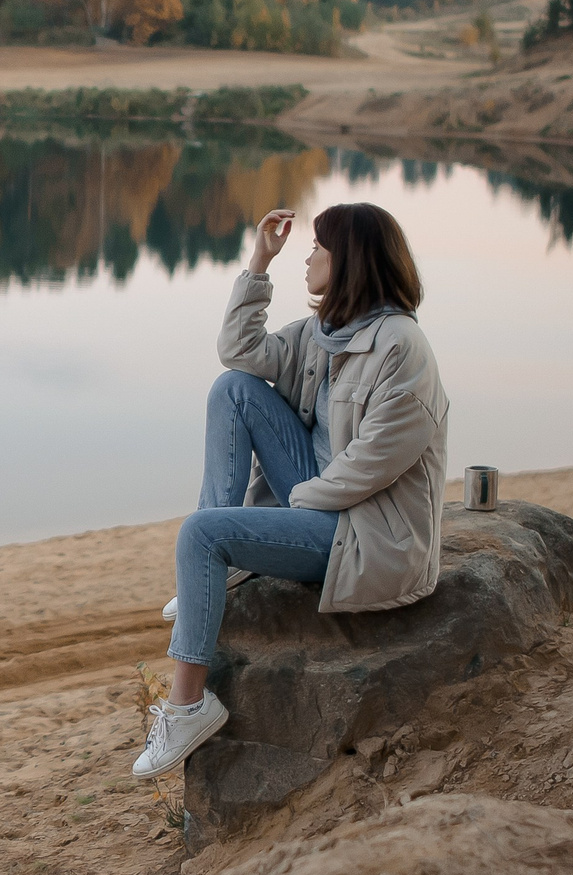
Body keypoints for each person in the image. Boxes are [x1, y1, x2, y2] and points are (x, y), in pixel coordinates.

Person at [134, 203, 450, 779]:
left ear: (349, 260)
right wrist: (259, 264)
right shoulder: (320, 333)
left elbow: (371, 465)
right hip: (318, 494)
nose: (306, 257)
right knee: (232, 390)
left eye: (318, 248)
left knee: (202, 536)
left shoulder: (403, 348)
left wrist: (290, 507)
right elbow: (239, 353)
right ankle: (224, 568)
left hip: (364, 528)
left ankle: (187, 706)